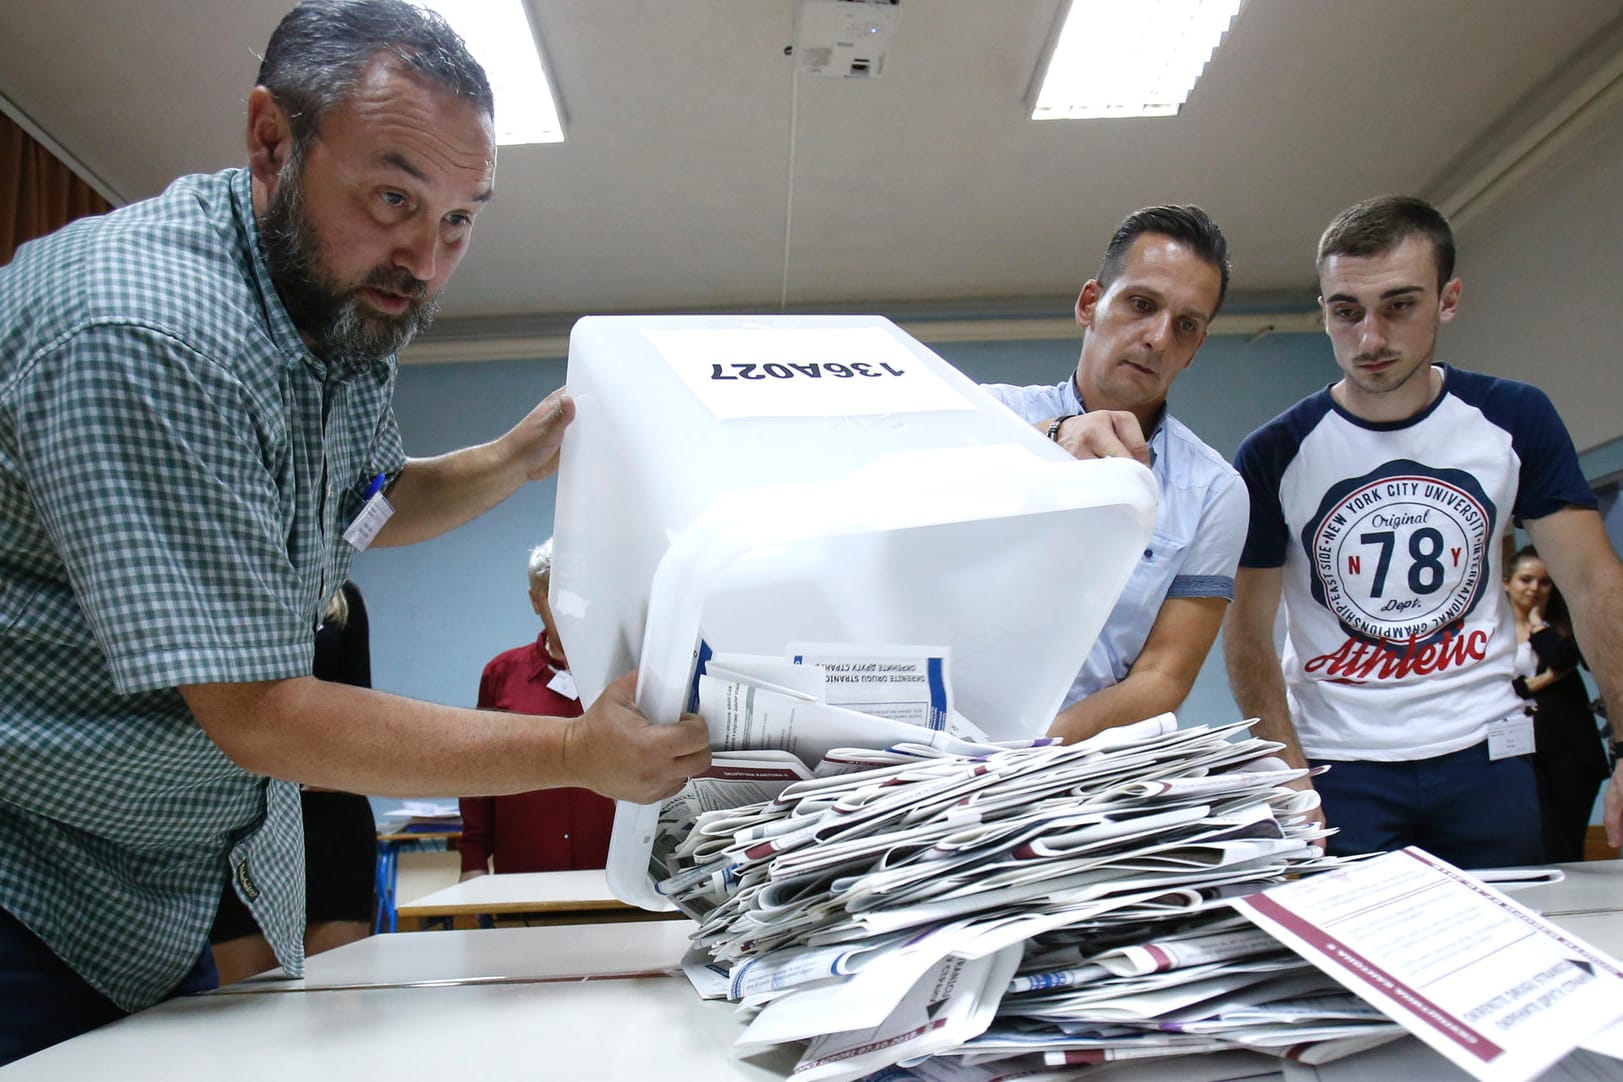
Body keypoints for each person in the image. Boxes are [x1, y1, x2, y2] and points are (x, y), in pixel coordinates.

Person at [0, 0, 708, 1063]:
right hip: (31, 884)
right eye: (393, 196)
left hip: (166, 889)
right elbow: (259, 710)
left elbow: (361, 505)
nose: (425, 258)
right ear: (271, 140)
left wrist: (517, 457)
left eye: (462, 219)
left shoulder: (336, 310)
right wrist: (576, 751)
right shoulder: (143, 332)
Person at [1224, 195, 1623, 869]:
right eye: (1345, 311)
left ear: (1448, 300)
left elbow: (1590, 583)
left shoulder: (1513, 417)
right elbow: (1245, 631)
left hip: (1485, 755)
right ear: (1323, 310)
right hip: (1338, 765)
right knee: (1351, 965)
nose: (1370, 338)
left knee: (1503, 953)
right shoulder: (1274, 452)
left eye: (1398, 305)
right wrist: (1286, 774)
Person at [981, 205, 1248, 744]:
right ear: (1089, 304)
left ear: (1196, 348)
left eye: (1186, 326)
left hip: (1076, 768)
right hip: (935, 743)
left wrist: (1022, 756)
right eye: (1141, 304)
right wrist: (1051, 438)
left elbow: (1163, 676)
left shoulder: (1216, 493)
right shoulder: (990, 416)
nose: (1157, 337)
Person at [210, 580, 380, 984]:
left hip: (329, 821)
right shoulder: (214, 584)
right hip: (239, 820)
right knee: (245, 1008)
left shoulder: (342, 596)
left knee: (337, 1002)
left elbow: (358, 712)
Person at [459, 542, 615, 881]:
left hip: (613, 881)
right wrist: (472, 861)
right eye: (554, 596)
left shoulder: (626, 674)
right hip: (524, 877)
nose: (569, 609)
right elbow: (477, 771)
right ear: (535, 601)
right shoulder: (501, 675)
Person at [1504, 547, 1610, 863]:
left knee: (1564, 841)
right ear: (1507, 582)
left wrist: (1537, 625)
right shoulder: (1493, 631)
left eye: (1545, 582)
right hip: (1518, 749)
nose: (1535, 589)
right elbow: (1497, 685)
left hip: (1570, 751)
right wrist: (1532, 684)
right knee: (1526, 835)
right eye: (1526, 580)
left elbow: (1563, 659)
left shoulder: (1564, 626)